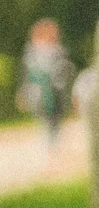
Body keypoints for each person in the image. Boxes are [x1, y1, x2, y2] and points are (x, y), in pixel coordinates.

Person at [19, 19, 74, 153]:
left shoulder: (59, 52)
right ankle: (48, 144)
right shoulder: (31, 55)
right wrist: (24, 91)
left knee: (55, 118)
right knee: (44, 118)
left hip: (56, 92)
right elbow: (26, 75)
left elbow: (66, 72)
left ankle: (54, 144)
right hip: (39, 93)